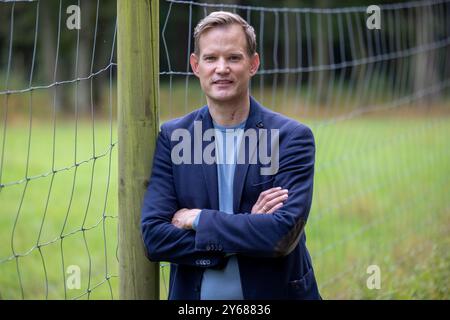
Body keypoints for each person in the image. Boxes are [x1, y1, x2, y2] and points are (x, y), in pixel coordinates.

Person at [141, 11, 320, 300]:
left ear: (253, 64)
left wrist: (199, 219)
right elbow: (155, 238)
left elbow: (281, 235)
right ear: (195, 65)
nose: (221, 68)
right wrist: (248, 227)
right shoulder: (173, 138)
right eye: (211, 58)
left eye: (233, 58)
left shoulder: (291, 138)